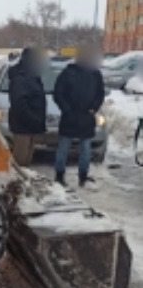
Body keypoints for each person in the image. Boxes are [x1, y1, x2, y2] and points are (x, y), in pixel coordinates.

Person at [53, 45, 105, 188]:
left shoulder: (95, 74)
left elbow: (100, 94)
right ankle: (59, 176)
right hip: (70, 118)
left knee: (86, 150)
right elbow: (58, 93)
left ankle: (83, 176)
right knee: (63, 148)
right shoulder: (68, 73)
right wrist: (67, 110)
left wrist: (94, 108)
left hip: (86, 119)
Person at [8, 48, 47, 166]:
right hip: (23, 126)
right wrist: (32, 119)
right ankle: (15, 183)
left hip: (30, 126)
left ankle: (23, 183)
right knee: (20, 161)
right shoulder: (21, 77)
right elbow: (19, 103)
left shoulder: (32, 75)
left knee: (27, 160)